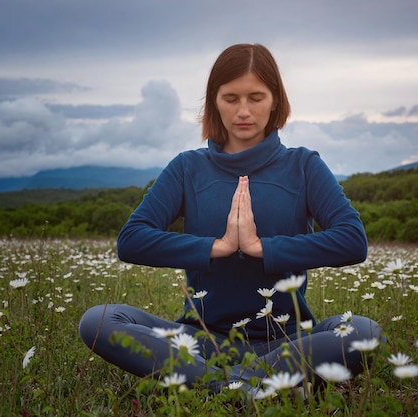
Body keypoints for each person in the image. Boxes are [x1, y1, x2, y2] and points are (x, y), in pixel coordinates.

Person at [79, 43, 382, 394]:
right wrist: (217, 247)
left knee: (365, 333)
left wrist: (260, 248)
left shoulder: (303, 165)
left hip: (289, 339)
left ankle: (219, 383)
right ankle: (250, 384)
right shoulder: (187, 168)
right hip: (204, 338)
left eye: (256, 97)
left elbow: (352, 240)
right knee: (99, 321)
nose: (243, 111)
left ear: (276, 101)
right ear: (214, 101)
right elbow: (131, 240)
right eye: (230, 98)